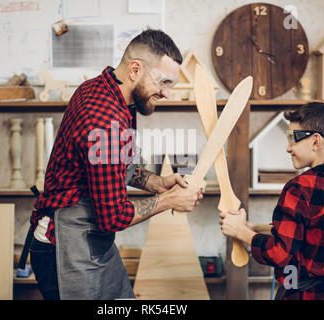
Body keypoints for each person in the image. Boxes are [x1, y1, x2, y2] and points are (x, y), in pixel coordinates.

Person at [28, 29, 204, 300]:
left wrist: (156, 183)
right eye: (164, 82)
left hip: (92, 241)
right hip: (62, 245)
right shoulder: (104, 119)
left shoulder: (107, 92)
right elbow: (112, 216)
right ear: (135, 69)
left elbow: (117, 166)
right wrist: (169, 200)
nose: (167, 93)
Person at [220, 102, 324, 300]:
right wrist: (253, 226)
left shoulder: (299, 187)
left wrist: (241, 232)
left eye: (293, 139)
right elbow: (313, 230)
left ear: (316, 142)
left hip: (310, 295)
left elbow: (279, 253)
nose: (288, 148)